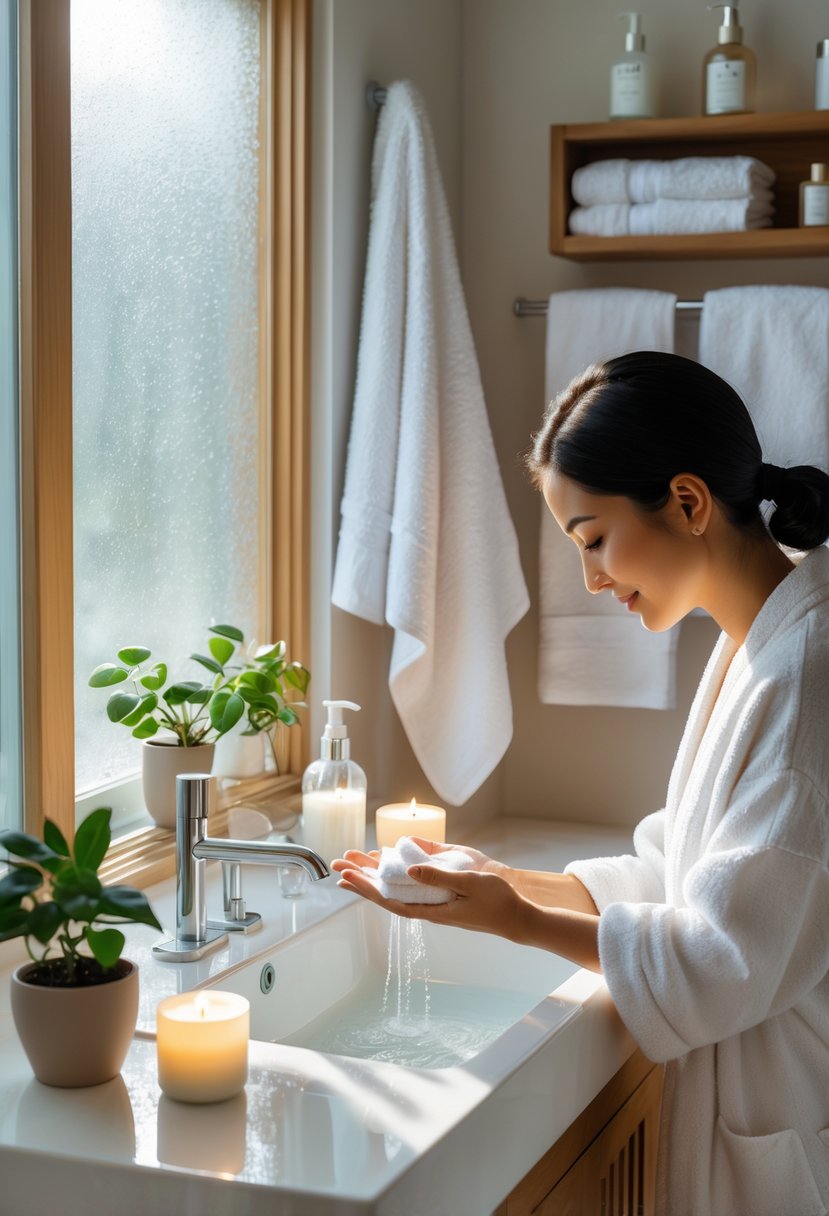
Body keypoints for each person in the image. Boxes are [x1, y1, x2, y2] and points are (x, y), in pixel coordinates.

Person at [332, 351, 829, 1216]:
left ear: (686, 501)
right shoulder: (759, 645)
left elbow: (723, 964)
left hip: (781, 1113)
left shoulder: (803, 680)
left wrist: (517, 921)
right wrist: (497, 879)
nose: (592, 578)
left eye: (592, 539)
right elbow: (685, 878)